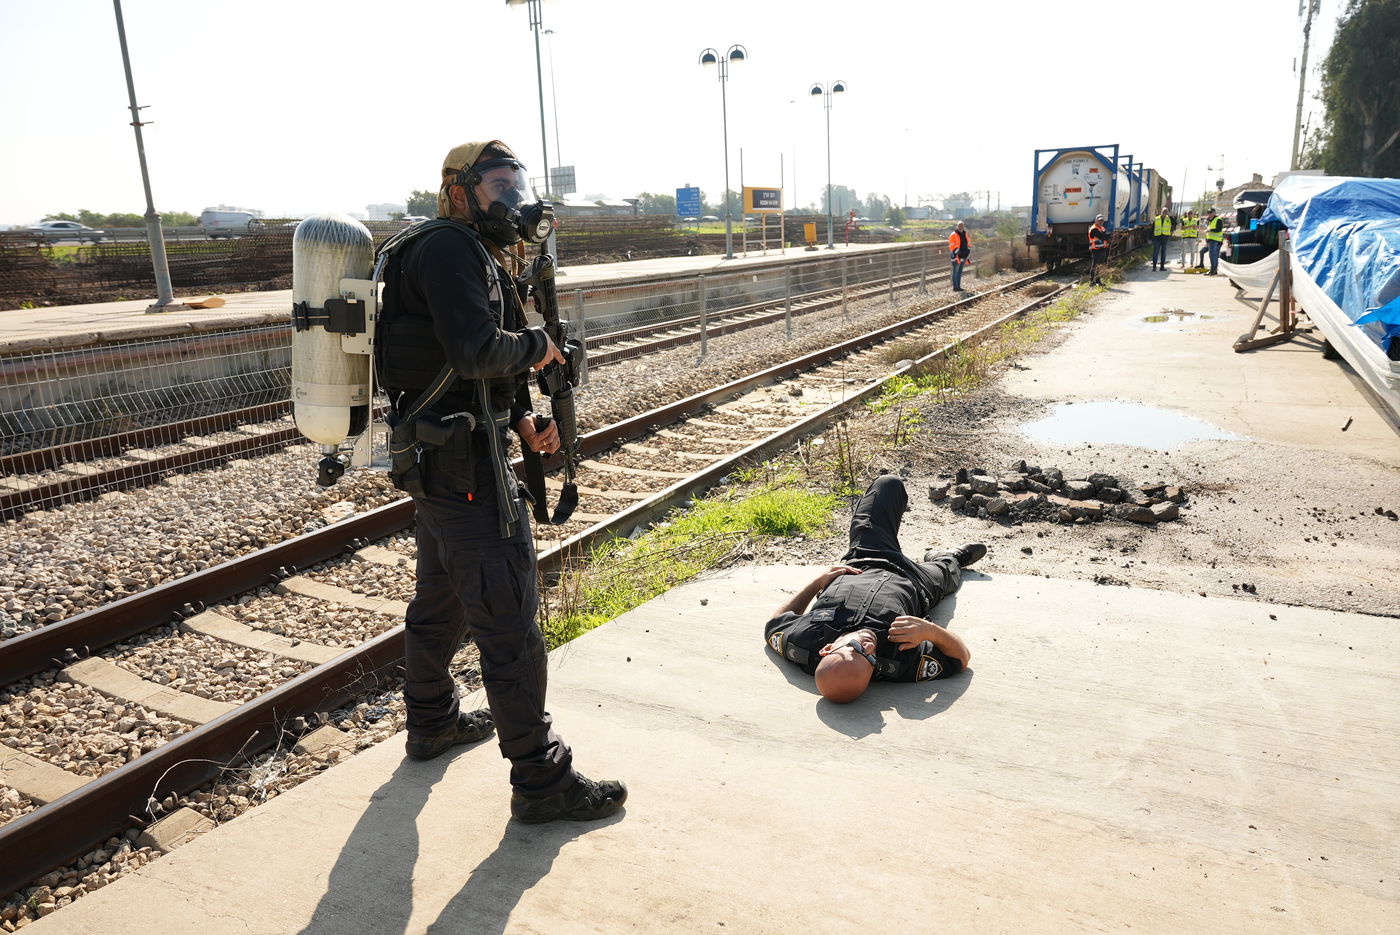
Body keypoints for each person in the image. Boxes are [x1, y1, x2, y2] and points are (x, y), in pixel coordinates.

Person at [374, 140, 625, 823]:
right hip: (466, 471)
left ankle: (431, 720)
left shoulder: (443, 248)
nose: (512, 196)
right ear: (460, 191)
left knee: (442, 599)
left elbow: (459, 367)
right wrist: (541, 347)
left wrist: (520, 420)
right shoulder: (452, 249)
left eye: (517, 182)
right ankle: (542, 780)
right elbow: (477, 349)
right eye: (497, 184)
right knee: (510, 622)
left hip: (439, 459)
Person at [763, 474, 982, 703]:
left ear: (828, 649)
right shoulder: (899, 662)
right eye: (871, 660)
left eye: (856, 647)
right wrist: (931, 632)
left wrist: (816, 583)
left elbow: (773, 624)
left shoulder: (802, 642)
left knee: (889, 484)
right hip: (917, 583)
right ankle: (947, 557)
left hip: (867, 555)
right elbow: (961, 658)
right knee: (947, 571)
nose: (869, 647)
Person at [948, 221, 971, 291]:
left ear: (963, 226)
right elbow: (951, 246)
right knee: (955, 271)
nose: (961, 227)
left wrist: (968, 251)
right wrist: (958, 252)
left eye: (962, 225)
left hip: (964, 256)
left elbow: (968, 243)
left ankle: (958, 286)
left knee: (960, 272)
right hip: (957, 256)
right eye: (959, 225)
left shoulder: (965, 233)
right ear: (957, 226)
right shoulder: (953, 234)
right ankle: (955, 287)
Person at [1088, 214, 1109, 286]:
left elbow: (1108, 234)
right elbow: (1103, 236)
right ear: (1096, 221)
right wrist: (1106, 235)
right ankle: (1092, 282)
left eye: (1102, 220)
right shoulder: (1094, 229)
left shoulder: (1101, 228)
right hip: (1096, 250)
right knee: (1094, 266)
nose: (1101, 222)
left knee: (1099, 266)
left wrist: (1106, 235)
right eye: (1099, 220)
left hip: (1102, 249)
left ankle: (1098, 281)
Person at [1202, 209, 1225, 275]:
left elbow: (1219, 229)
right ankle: (1214, 270)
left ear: (1214, 213)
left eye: (1210, 212)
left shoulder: (1218, 219)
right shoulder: (1210, 221)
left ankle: (1213, 270)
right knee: (1213, 255)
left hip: (1215, 240)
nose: (1209, 214)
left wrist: (1210, 230)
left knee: (1213, 255)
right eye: (1208, 212)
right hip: (1211, 240)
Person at [1151, 206, 1173, 271]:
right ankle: (1154, 267)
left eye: (1166, 211)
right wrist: (1152, 238)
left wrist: (1169, 215)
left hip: (1165, 238)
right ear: (1161, 212)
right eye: (1164, 211)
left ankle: (1162, 267)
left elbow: (1175, 223)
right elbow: (1152, 229)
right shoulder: (1157, 219)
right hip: (1157, 238)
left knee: (1163, 253)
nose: (1165, 213)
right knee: (1156, 252)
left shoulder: (1169, 219)